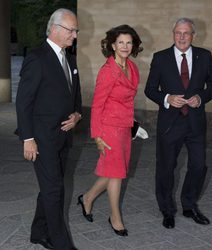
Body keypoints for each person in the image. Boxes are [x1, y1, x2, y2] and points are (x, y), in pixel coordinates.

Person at [144, 17, 212, 229]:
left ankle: (189, 205)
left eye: (186, 33)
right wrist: (167, 98)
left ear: (193, 35)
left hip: (195, 123)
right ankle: (167, 210)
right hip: (170, 124)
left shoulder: (204, 56)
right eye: (178, 33)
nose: (182, 37)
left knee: (199, 165)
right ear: (173, 34)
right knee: (166, 168)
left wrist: (201, 97)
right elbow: (150, 89)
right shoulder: (160, 58)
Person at [16, 8, 82, 250]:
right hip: (42, 139)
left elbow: (74, 95)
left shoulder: (70, 58)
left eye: (75, 30)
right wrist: (28, 138)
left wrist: (77, 114)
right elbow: (23, 102)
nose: (75, 35)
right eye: (71, 30)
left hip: (64, 137)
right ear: (55, 29)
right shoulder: (37, 58)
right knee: (54, 190)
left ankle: (38, 232)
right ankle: (61, 242)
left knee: (51, 187)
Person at [77, 24, 143, 236]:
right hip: (108, 129)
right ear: (113, 45)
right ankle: (115, 217)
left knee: (115, 170)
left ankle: (87, 198)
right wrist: (97, 136)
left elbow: (127, 101)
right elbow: (97, 105)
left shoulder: (132, 67)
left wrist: (133, 126)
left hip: (124, 127)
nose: (125, 46)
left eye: (128, 42)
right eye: (120, 42)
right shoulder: (108, 71)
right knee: (116, 175)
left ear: (133, 45)